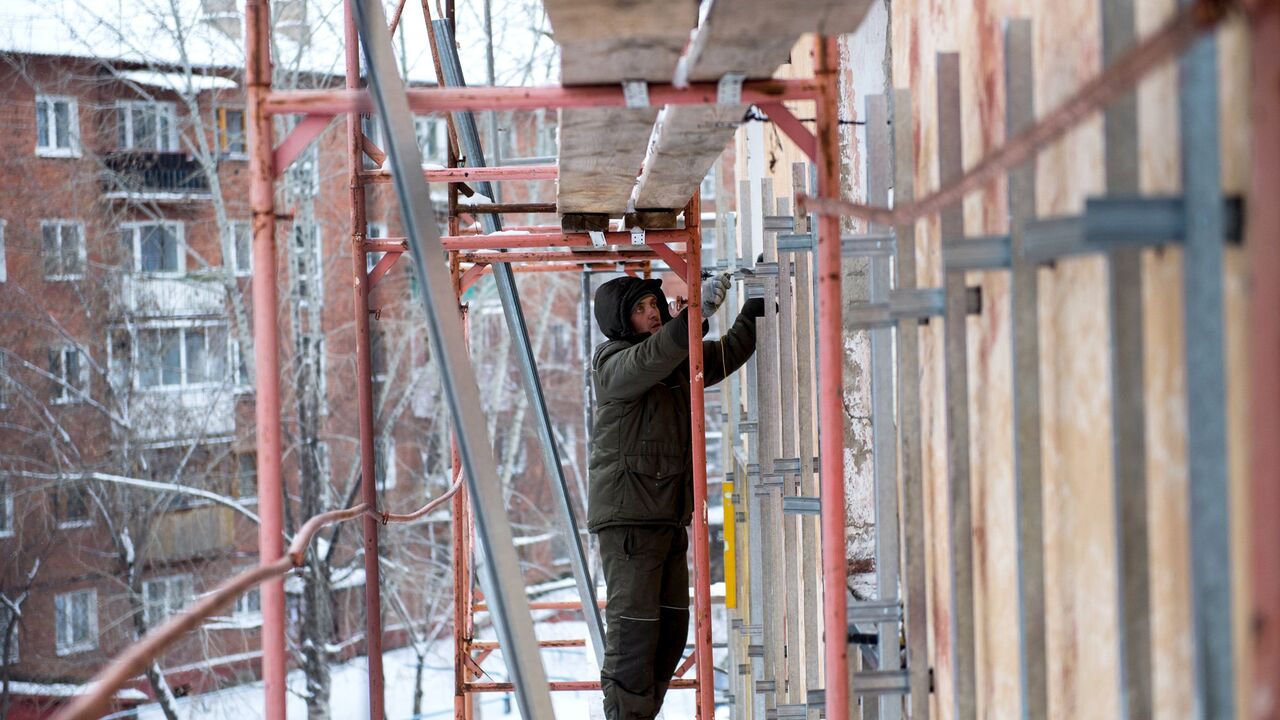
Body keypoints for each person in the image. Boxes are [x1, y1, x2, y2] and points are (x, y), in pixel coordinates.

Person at [587, 272, 764, 720]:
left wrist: (756, 305)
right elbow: (652, 355)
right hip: (629, 523)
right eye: (640, 310)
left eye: (654, 305)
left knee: (669, 633)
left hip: (664, 519)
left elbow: (722, 356)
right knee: (633, 634)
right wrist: (693, 318)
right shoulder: (613, 365)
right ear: (621, 322)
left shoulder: (670, 358)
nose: (651, 314)